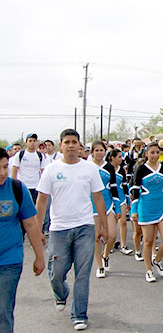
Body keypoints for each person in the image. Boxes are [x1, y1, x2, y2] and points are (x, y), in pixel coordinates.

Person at [35, 129, 108, 331]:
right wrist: (37, 230)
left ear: (79, 146)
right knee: (57, 272)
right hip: (59, 229)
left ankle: (79, 315)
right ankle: (61, 293)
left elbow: (98, 198)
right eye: (66, 142)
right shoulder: (51, 170)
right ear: (61, 145)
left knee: (83, 273)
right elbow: (42, 201)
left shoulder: (89, 169)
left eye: (74, 142)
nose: (70, 145)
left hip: (85, 226)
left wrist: (103, 225)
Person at [0, 147, 45, 333]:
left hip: (9, 261)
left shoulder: (17, 189)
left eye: (5, 167)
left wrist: (39, 256)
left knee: (3, 312)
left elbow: (31, 224)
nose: (2, 173)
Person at [130, 142, 163, 282]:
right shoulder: (141, 169)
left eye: (157, 152)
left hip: (161, 207)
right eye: (152, 152)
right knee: (148, 241)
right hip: (145, 208)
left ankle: (157, 260)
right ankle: (148, 270)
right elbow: (135, 190)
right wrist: (134, 210)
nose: (155, 155)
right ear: (146, 154)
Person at [89, 141, 121, 279]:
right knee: (96, 237)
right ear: (92, 152)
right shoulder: (87, 167)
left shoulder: (109, 167)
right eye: (96, 150)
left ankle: (105, 255)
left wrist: (118, 207)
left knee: (112, 235)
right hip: (92, 205)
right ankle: (100, 267)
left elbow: (114, 188)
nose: (99, 153)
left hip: (108, 204)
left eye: (101, 150)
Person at [107, 149, 133, 255]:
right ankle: (110, 243)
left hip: (121, 197)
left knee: (122, 221)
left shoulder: (122, 170)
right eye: (118, 157)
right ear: (112, 157)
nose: (121, 159)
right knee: (111, 223)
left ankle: (123, 245)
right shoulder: (106, 168)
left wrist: (127, 199)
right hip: (109, 198)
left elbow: (124, 184)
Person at [11, 133, 46, 203]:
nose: (32, 143)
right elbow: (14, 171)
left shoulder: (40, 155)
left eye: (34, 141)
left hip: (36, 186)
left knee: (35, 208)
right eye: (30, 141)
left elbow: (43, 172)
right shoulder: (20, 155)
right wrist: (13, 186)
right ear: (26, 142)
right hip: (23, 186)